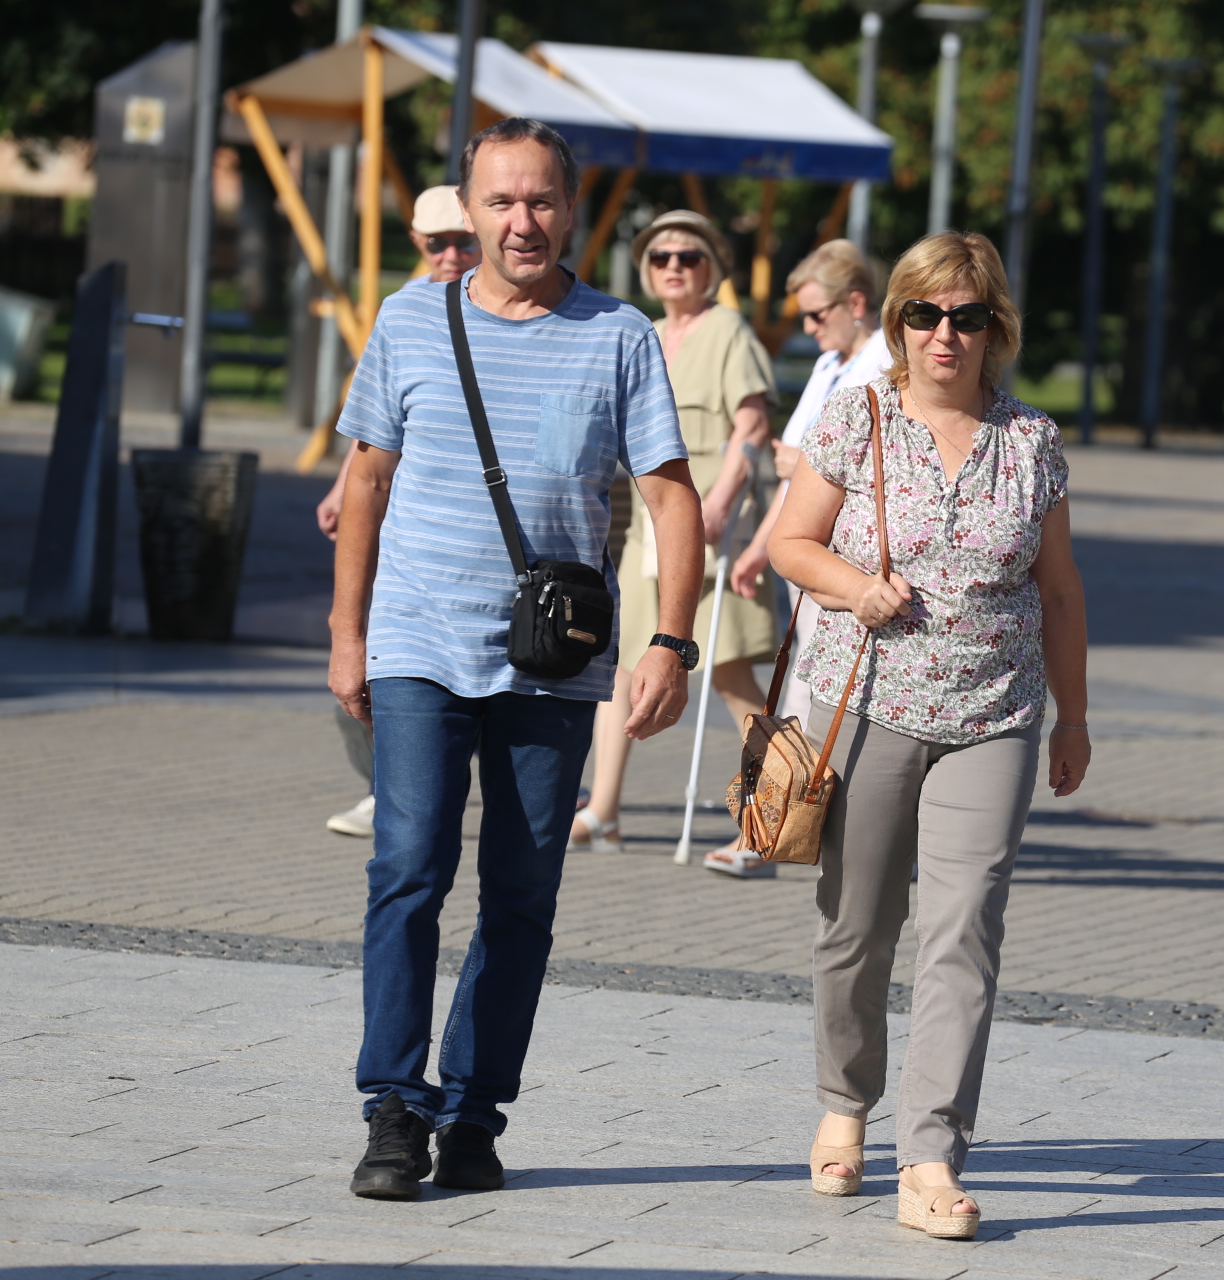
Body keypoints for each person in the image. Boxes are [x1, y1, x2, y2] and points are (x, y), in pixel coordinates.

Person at [328, 118, 703, 1200]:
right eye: (500, 202)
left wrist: (671, 642)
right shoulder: (409, 319)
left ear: (573, 209)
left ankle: (476, 1109)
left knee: (523, 893)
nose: (521, 221)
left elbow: (672, 499)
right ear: (471, 209)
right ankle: (393, 1106)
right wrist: (348, 631)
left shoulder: (620, 334)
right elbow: (364, 482)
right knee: (407, 867)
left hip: (553, 658)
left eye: (540, 201)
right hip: (418, 640)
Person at [767, 231, 1091, 1240]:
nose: (945, 334)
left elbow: (1062, 589)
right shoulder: (858, 419)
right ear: (897, 320)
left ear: (998, 328)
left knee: (965, 932)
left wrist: (1072, 717)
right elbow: (789, 541)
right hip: (862, 705)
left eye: (968, 316)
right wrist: (857, 588)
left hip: (994, 716)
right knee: (856, 925)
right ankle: (844, 1099)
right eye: (924, 314)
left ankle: (930, 1150)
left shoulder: (1031, 442)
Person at [569, 209, 781, 877]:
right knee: (625, 664)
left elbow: (751, 431)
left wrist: (719, 504)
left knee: (730, 673)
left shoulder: (728, 331)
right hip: (648, 531)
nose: (673, 268)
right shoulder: (648, 333)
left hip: (714, 525)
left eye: (688, 256)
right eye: (660, 257)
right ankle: (603, 810)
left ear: (712, 266)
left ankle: (765, 823)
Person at [315, 185, 483, 838]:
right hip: (397, 520)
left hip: (465, 526)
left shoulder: (516, 313)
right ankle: (387, 789)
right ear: (416, 243)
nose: (448, 254)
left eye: (461, 241)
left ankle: (427, 788)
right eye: (434, 243)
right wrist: (340, 488)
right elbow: (373, 430)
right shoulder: (403, 311)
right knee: (364, 662)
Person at [732, 239, 889, 723]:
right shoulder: (827, 364)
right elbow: (792, 478)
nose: (807, 326)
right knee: (805, 673)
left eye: (817, 315)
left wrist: (802, 464)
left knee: (817, 687)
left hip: (845, 554)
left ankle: (812, 793)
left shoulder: (886, 364)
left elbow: (876, 462)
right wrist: (764, 545)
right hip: (805, 546)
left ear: (856, 304)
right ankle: (802, 793)